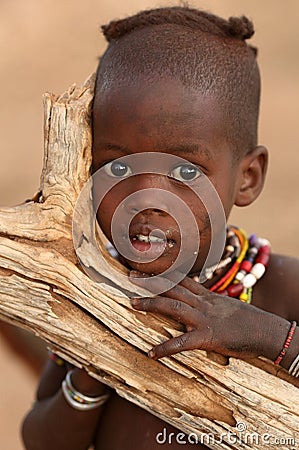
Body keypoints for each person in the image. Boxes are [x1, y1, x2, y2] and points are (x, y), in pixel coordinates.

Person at [22, 6, 299, 450]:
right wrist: (94, 365)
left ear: (247, 177)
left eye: (187, 173)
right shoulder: (88, 290)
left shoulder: (281, 286)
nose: (147, 198)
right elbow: (41, 440)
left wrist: (267, 336)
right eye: (118, 166)